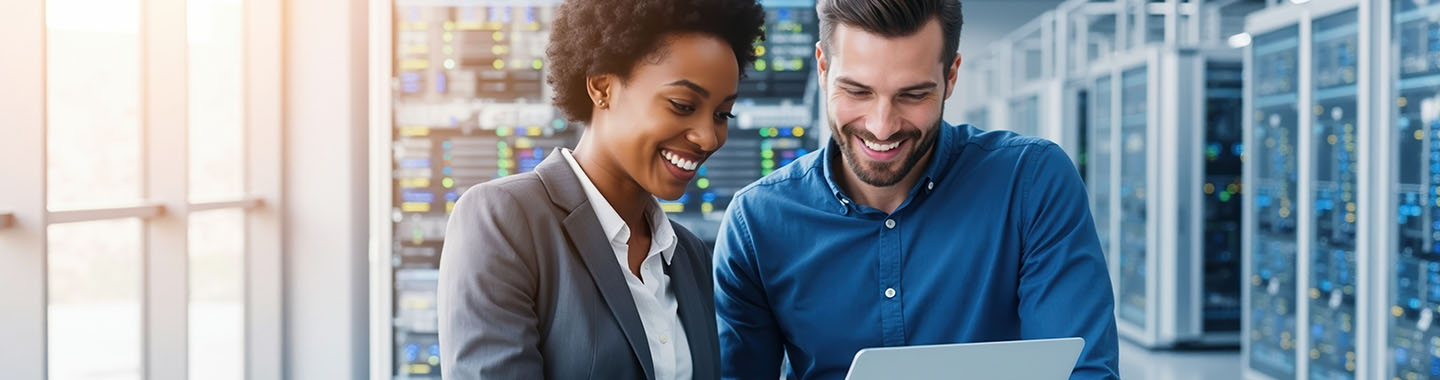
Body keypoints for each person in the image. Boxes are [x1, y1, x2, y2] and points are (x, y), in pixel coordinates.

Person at [712, 0, 1120, 379]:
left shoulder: (1031, 182)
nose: (882, 126)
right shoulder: (757, 222)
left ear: (951, 76)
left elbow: (1082, 370)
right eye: (857, 91)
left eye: (913, 95)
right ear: (822, 67)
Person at [437, 0, 766, 379]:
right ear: (602, 88)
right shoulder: (504, 220)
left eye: (722, 115)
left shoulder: (688, 254)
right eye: (682, 105)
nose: (708, 137)